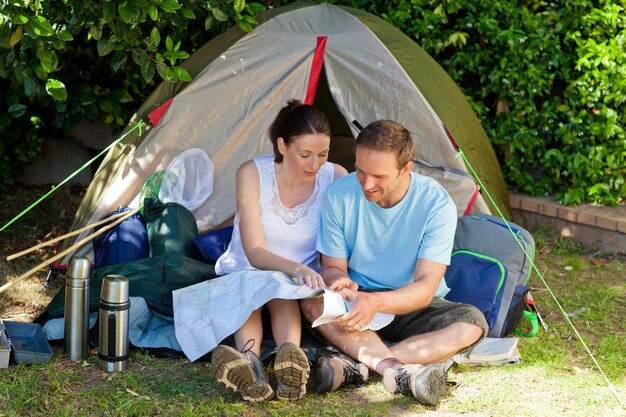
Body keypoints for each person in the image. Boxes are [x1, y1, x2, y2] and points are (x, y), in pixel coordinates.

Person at [300, 120, 489, 405]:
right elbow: (332, 267)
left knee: (472, 324)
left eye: (379, 176)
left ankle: (359, 365)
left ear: (406, 169)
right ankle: (394, 369)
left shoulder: (436, 204)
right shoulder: (339, 195)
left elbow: (426, 288)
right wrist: (339, 280)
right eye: (360, 171)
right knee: (312, 302)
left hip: (411, 303)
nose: (366, 183)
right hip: (357, 299)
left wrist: (377, 302)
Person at [210, 99, 347, 402]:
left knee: (283, 292)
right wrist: (296, 268)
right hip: (250, 267)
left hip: (299, 281)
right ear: (282, 146)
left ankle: (289, 362)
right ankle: (249, 363)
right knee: (255, 289)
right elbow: (255, 251)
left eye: (323, 154)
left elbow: (348, 232)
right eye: (306, 155)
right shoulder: (252, 173)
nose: (315, 164)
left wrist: (330, 273)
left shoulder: (335, 176)